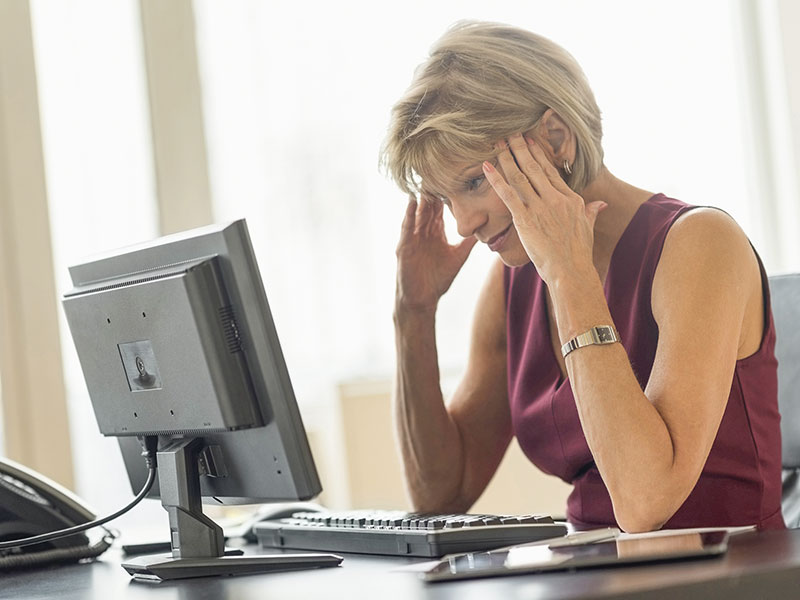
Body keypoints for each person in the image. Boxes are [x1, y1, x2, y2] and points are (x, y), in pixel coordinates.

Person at [380, 21, 784, 532]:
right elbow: (440, 494)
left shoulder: (700, 244)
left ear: (554, 136)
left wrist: (570, 277)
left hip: (727, 578)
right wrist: (412, 312)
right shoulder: (514, 281)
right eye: (446, 199)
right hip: (590, 576)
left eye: (475, 182)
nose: (464, 223)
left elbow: (645, 501)